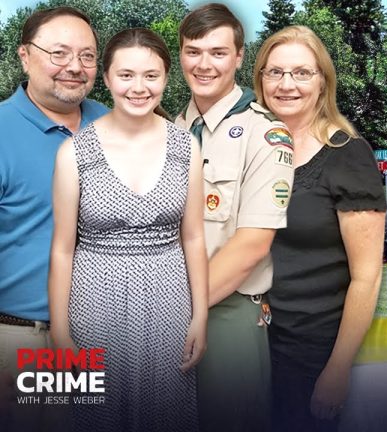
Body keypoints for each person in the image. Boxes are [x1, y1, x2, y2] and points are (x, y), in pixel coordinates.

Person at [48, 28, 207, 431]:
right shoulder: (74, 152)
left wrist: (200, 316)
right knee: (95, 416)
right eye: (126, 75)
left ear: (166, 78)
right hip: (94, 304)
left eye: (151, 76)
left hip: (170, 303)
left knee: (168, 414)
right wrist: (61, 335)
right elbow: (63, 249)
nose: (139, 87)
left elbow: (193, 236)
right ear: (106, 78)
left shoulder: (186, 146)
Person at [253, 25, 386, 431]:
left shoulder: (348, 156)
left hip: (313, 351)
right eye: (274, 72)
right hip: (254, 346)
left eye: (301, 73)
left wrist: (337, 370)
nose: (286, 84)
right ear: (260, 80)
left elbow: (366, 276)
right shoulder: (251, 150)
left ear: (322, 81)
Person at [175, 4, 294, 431]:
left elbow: (251, 246)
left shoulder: (266, 133)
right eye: (193, 51)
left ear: (240, 57)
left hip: (226, 314)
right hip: (169, 312)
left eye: (218, 52)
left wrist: (177, 309)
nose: (204, 64)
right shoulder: (170, 128)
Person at [0, 7, 108, 431]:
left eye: (87, 56)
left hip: (96, 339)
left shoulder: (117, 124)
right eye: (59, 53)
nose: (74, 67)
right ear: (25, 56)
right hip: (20, 338)